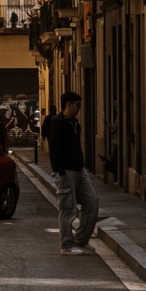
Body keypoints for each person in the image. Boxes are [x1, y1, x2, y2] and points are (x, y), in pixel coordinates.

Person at [50, 91, 98, 254]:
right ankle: (67, 245)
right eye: (77, 105)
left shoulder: (75, 123)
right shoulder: (57, 123)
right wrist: (59, 171)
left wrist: (82, 166)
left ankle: (81, 240)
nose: (79, 108)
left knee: (92, 203)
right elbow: (54, 148)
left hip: (79, 169)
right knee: (68, 208)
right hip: (66, 172)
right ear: (68, 104)